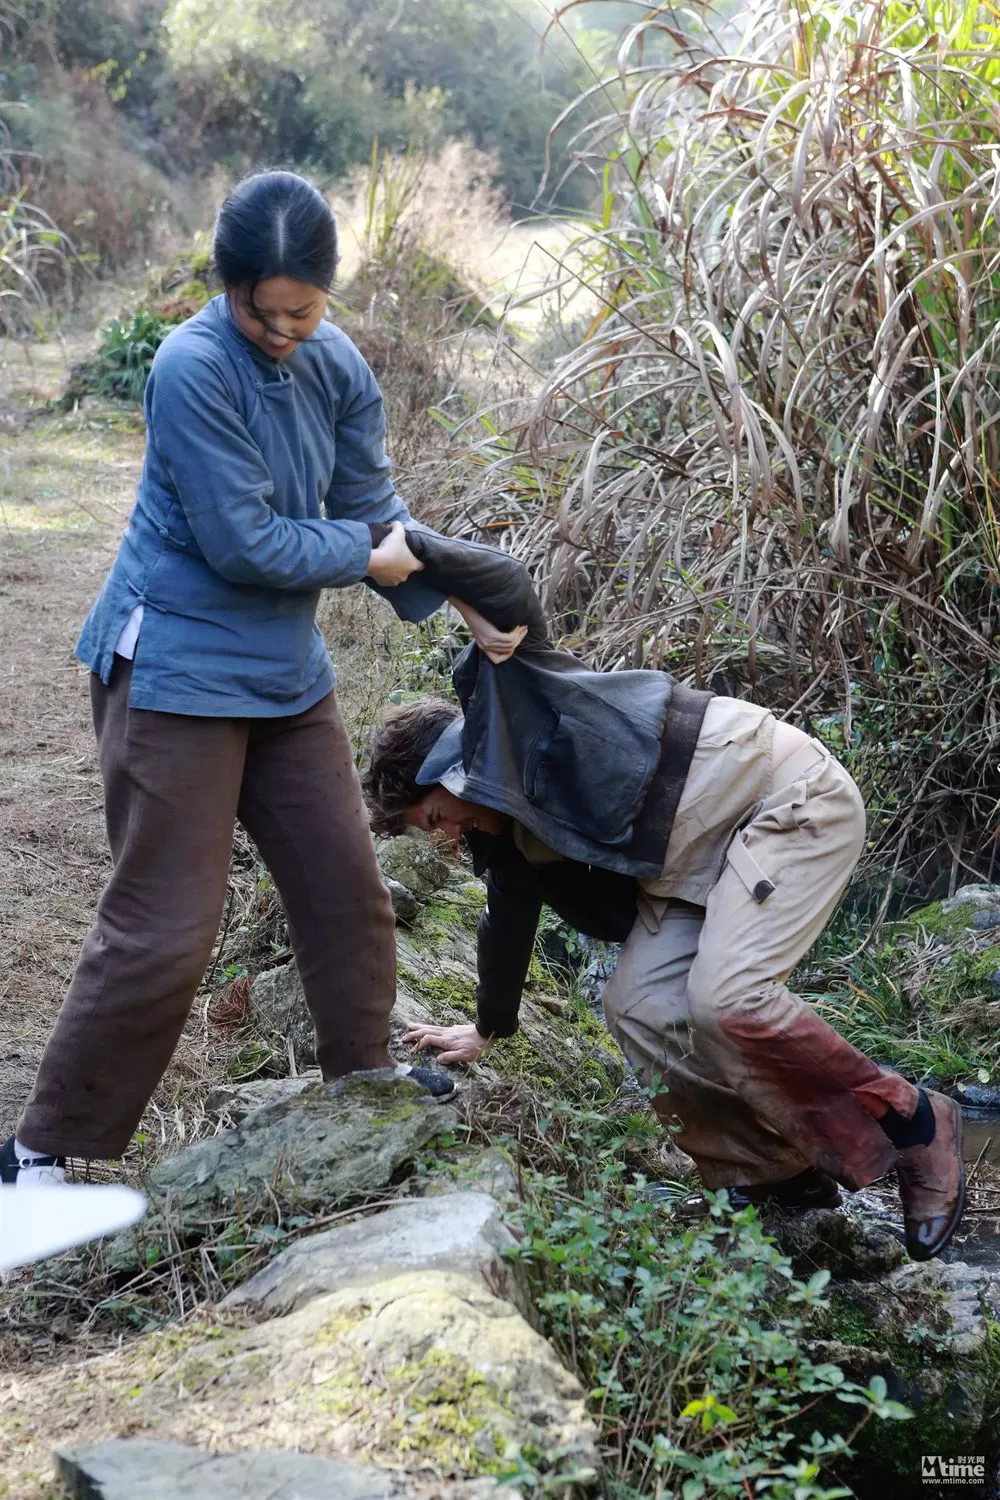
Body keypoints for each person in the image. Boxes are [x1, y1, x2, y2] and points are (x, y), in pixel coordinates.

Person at [0, 171, 526, 1191]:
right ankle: (40, 1154)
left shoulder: (336, 365)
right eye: (262, 310)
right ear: (226, 288)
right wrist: (368, 556)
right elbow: (244, 544)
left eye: (304, 309)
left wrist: (461, 594)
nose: (282, 329)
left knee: (347, 893)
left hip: (284, 679)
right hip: (176, 670)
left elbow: (376, 508)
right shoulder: (190, 365)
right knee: (166, 924)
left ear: (328, 294)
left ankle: (361, 1083)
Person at [363, 537, 966, 1262]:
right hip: (690, 871)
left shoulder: (519, 704)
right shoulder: (507, 838)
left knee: (729, 999)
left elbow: (508, 583)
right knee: (637, 1006)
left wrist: (407, 549)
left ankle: (915, 1120)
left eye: (433, 818)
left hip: (781, 800)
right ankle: (778, 1174)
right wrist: (491, 1028)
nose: (443, 838)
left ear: (451, 768)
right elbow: (507, 920)